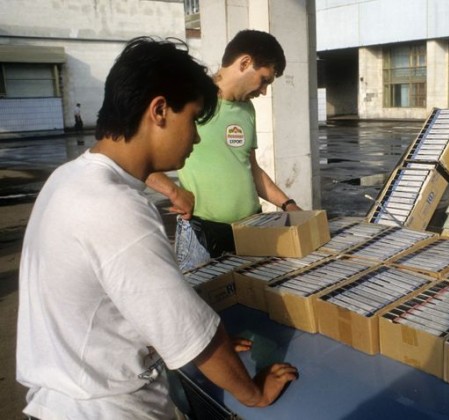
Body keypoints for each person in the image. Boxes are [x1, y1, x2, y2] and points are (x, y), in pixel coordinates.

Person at [16, 36, 297, 419]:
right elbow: (186, 329)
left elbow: (125, 309)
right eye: (193, 120)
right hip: (108, 408)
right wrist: (253, 394)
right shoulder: (117, 209)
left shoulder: (68, 179)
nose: (196, 137)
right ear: (160, 111)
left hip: (64, 396)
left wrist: (208, 342)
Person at [146, 29, 303, 272]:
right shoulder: (189, 100)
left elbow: (251, 168)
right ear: (245, 62)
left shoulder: (247, 110)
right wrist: (173, 191)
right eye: (264, 80)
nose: (264, 91)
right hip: (202, 233)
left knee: (254, 293)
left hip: (252, 229)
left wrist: (288, 204)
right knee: (202, 293)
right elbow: (140, 159)